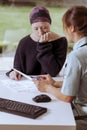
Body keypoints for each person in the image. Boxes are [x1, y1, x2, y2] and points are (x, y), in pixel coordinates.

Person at [34, 6, 87, 130]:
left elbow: (67, 97)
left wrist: (47, 87)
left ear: (72, 28)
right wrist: (55, 83)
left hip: (82, 118)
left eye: (65, 27)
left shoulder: (77, 56)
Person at [6, 6, 67, 80]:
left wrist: (43, 45)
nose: (40, 32)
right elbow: (17, 69)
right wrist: (13, 73)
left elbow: (52, 72)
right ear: (31, 27)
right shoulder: (24, 42)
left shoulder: (61, 41)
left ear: (50, 25)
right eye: (36, 28)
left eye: (45, 28)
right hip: (27, 84)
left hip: (50, 84)